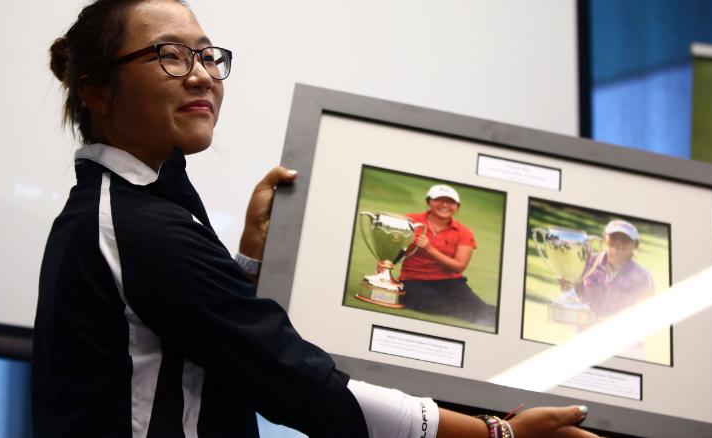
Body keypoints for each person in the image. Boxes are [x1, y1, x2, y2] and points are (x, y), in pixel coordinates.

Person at [33, 1, 600, 436]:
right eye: (170, 55)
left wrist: (250, 256)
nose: (203, 75)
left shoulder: (133, 207)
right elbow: (292, 380)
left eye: (208, 55)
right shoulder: (135, 227)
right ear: (96, 92)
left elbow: (195, 344)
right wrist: (493, 433)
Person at [400, 185, 497, 327]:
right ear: (429, 202)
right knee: (433, 304)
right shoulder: (410, 220)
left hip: (449, 282)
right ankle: (463, 311)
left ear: (457, 207)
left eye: (451, 202)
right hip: (413, 280)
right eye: (439, 199)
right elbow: (391, 244)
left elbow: (459, 267)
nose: (445, 205)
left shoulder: (464, 232)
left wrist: (429, 249)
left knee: (479, 309)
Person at [560, 219, 655, 321]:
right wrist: (568, 290)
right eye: (614, 236)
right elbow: (576, 296)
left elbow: (645, 314)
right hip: (585, 333)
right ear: (605, 238)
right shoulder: (587, 262)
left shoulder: (642, 276)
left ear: (635, 245)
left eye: (625, 238)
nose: (618, 241)